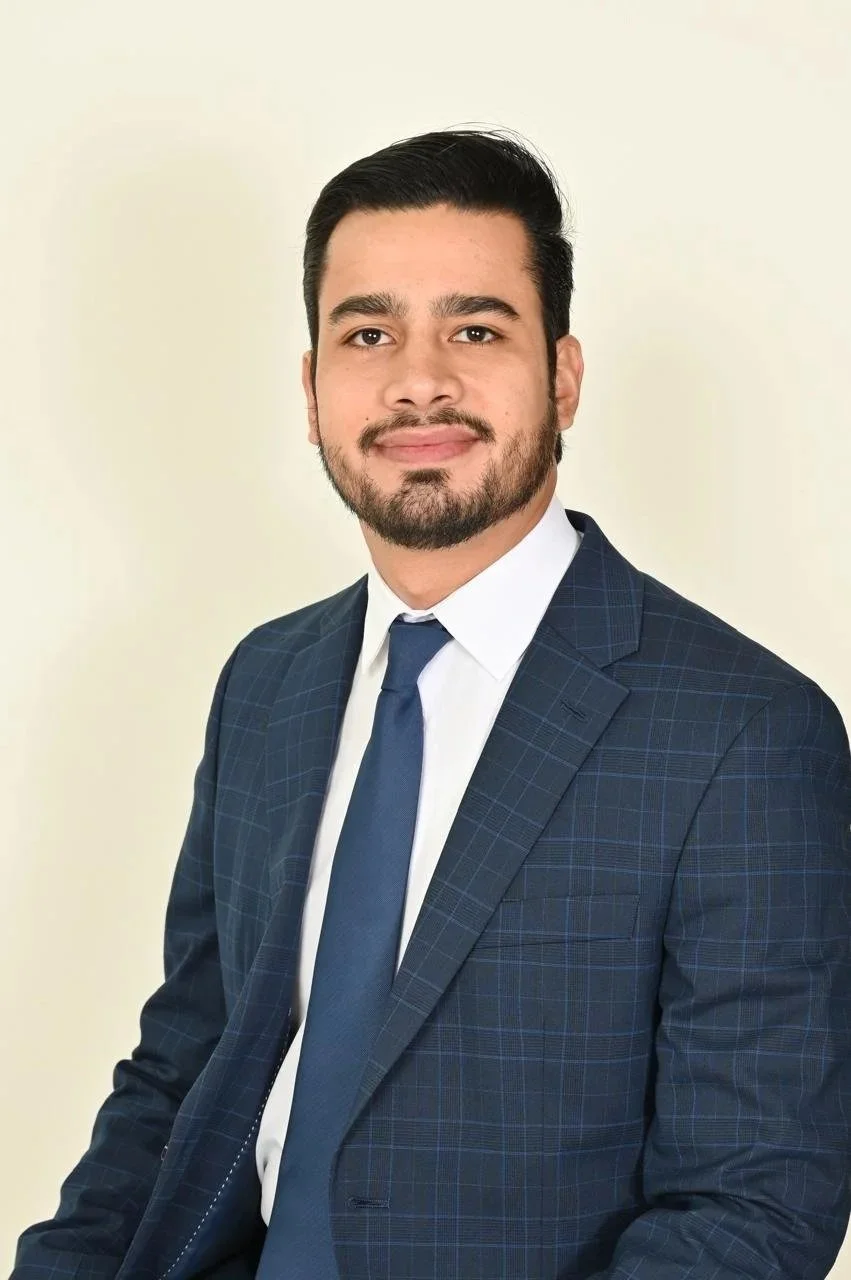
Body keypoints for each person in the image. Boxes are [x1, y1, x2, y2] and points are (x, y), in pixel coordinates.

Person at [12, 128, 851, 1280]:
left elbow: (753, 1204)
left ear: (561, 374)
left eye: (473, 327)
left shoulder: (741, 731)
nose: (417, 379)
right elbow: (183, 1068)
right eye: (368, 333)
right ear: (311, 389)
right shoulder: (265, 683)